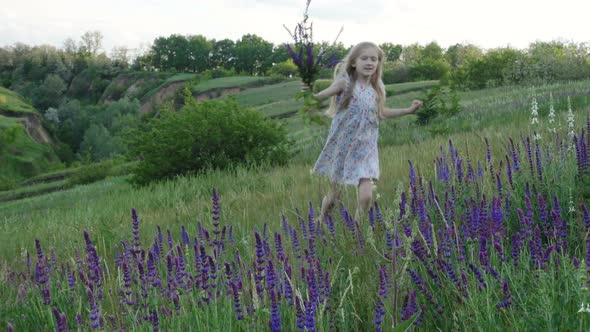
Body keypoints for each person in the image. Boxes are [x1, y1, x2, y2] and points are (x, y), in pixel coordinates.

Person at [311, 41, 423, 221]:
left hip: (366, 149)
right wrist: (311, 95)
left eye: (374, 59)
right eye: (364, 58)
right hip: (343, 147)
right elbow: (323, 94)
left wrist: (408, 110)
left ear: (378, 64)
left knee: (366, 197)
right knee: (336, 195)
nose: (369, 62)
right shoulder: (345, 82)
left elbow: (382, 113)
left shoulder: (377, 88)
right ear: (354, 62)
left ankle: (356, 233)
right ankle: (321, 219)